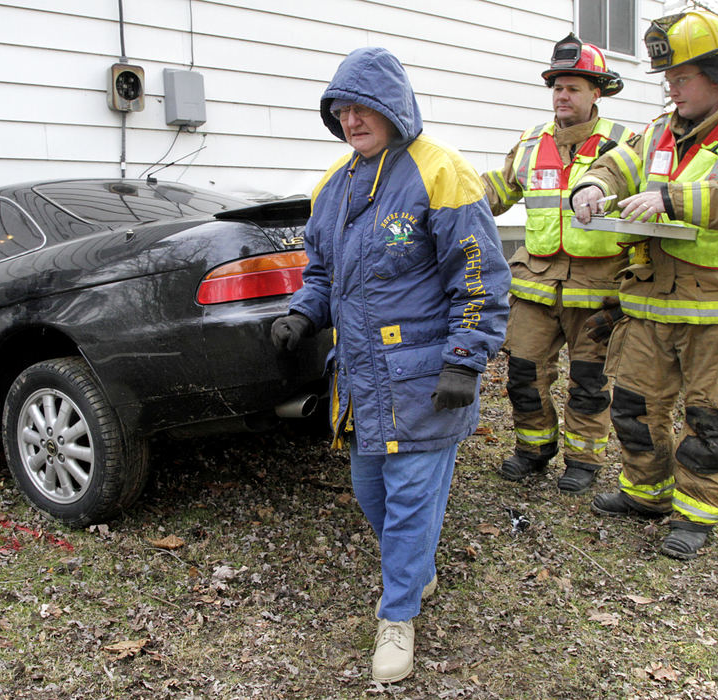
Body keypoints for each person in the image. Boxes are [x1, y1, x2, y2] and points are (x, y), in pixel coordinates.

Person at [271, 47, 510, 683]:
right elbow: (320, 272)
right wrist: (302, 311)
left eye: (362, 107)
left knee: (408, 501)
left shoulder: (444, 173)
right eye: (341, 110)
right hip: (361, 381)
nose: (352, 120)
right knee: (370, 494)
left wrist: (465, 360)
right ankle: (416, 567)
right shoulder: (332, 185)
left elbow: (480, 279)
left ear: (393, 105)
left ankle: (398, 614)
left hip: (426, 379)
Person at [572, 9, 718, 560]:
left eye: (680, 78)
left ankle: (697, 515)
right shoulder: (659, 132)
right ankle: (645, 494)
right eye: (667, 80)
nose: (671, 91)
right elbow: (615, 164)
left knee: (709, 423)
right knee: (633, 406)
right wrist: (591, 186)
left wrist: (671, 198)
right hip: (652, 303)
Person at [481, 35, 636, 493]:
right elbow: (496, 192)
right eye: (557, 87)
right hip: (535, 284)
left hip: (599, 287)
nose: (562, 96)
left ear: (597, 92)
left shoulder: (626, 145)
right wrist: (453, 194)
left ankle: (584, 461)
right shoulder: (531, 143)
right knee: (523, 373)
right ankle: (533, 449)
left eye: (573, 87)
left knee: (590, 382)